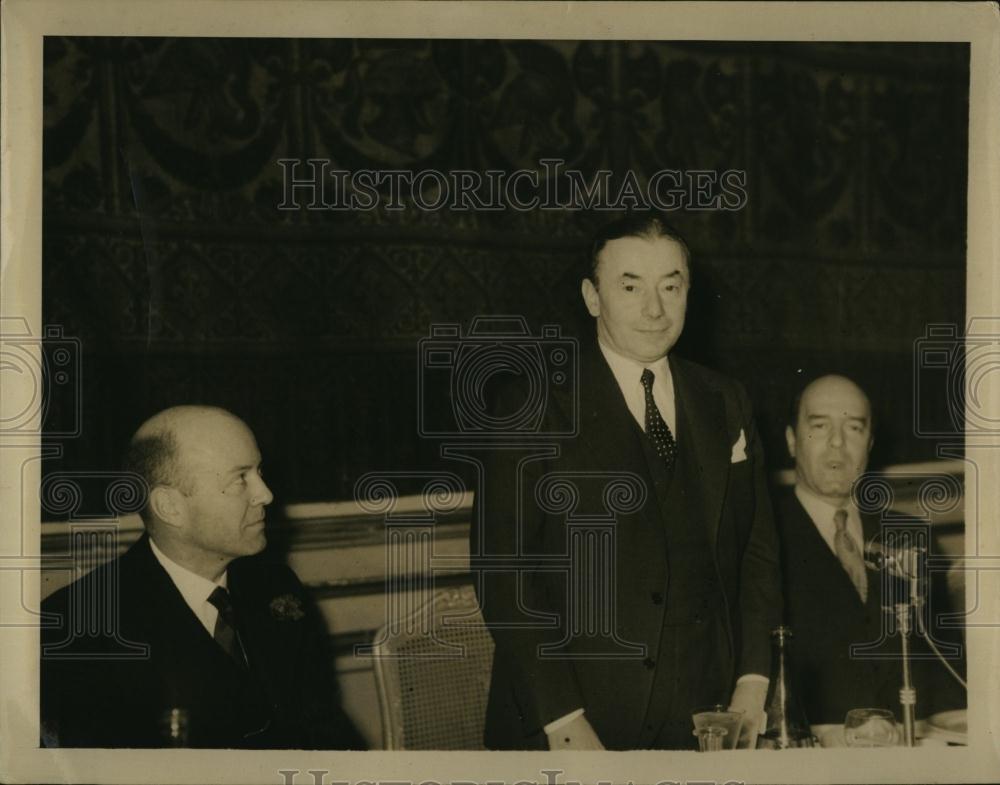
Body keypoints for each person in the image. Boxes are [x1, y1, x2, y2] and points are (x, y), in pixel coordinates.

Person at [471, 213, 781, 750]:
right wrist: (564, 723)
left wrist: (752, 683)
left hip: (705, 722)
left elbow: (757, 552)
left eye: (671, 286)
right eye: (630, 286)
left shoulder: (725, 399)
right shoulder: (534, 402)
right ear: (592, 297)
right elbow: (506, 574)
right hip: (575, 725)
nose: (655, 309)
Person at [41, 406, 361, 748]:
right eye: (240, 479)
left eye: (259, 471)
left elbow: (326, 733)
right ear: (170, 507)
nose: (265, 494)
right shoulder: (79, 629)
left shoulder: (276, 588)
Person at [775, 374, 966, 725]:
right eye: (819, 426)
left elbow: (946, 675)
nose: (837, 443)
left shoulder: (913, 537)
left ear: (870, 443)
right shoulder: (760, 537)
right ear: (791, 440)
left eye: (854, 429)